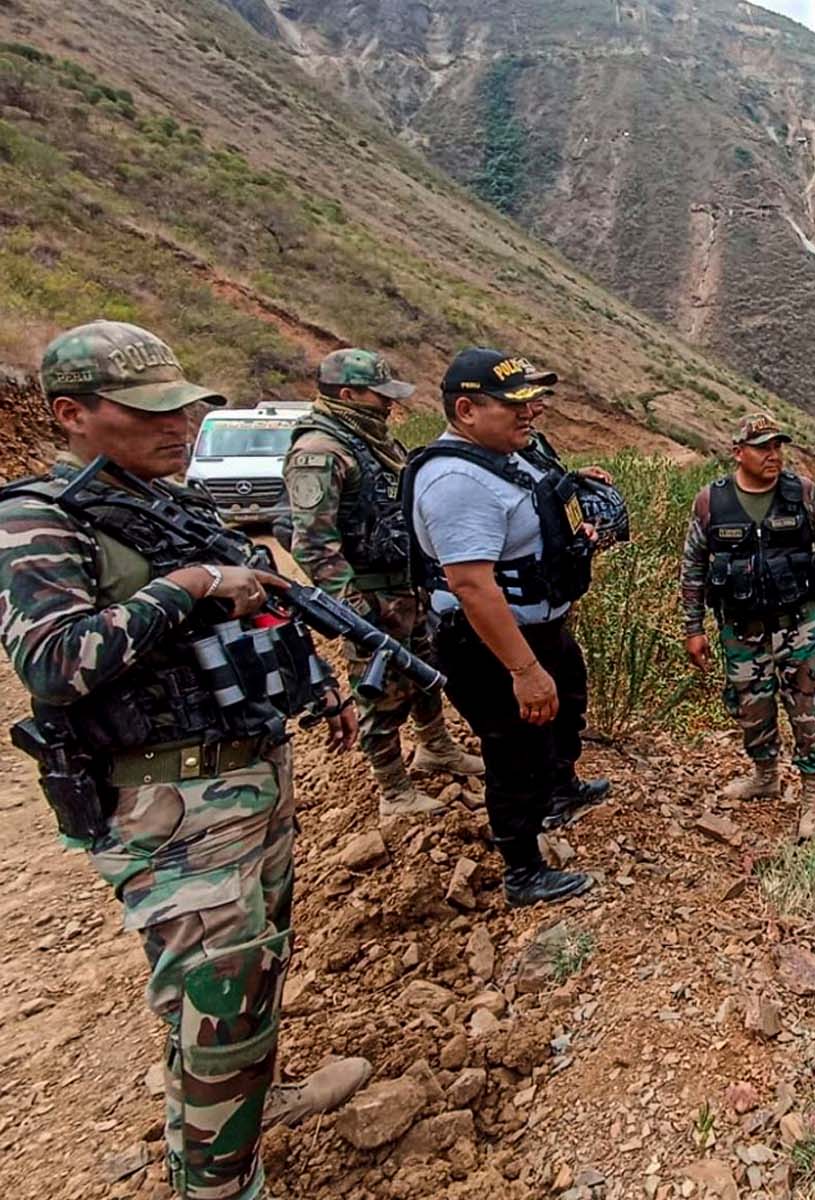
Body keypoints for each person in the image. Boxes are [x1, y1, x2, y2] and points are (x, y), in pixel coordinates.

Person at [0, 321, 370, 1200]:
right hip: (165, 797)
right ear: (72, 414)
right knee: (218, 990)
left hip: (244, 772)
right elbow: (54, 661)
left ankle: (246, 1109)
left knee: (251, 971)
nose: (180, 427)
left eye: (184, 409)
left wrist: (316, 685)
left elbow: (254, 613)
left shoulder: (169, 504)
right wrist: (191, 585)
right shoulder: (38, 517)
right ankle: (218, 1180)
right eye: (149, 413)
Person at [403, 347, 614, 907]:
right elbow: (472, 586)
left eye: (530, 400)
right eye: (513, 403)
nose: (530, 411)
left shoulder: (503, 457)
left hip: (539, 627)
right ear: (467, 410)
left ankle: (561, 791)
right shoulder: (456, 482)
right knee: (515, 747)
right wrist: (523, 670)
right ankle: (523, 870)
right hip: (489, 645)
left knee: (565, 704)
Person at [283, 348, 484, 818]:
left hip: (405, 584)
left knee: (424, 671)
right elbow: (312, 545)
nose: (389, 403)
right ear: (348, 394)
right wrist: (352, 610)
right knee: (381, 691)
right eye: (379, 395)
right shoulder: (320, 452)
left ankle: (435, 746)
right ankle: (393, 789)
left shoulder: (370, 440)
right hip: (369, 593)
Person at [680, 413, 815, 837]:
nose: (773, 455)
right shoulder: (711, 502)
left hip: (801, 624)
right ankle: (765, 776)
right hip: (742, 629)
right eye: (763, 447)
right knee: (751, 708)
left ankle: (813, 795)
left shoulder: (803, 493)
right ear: (738, 452)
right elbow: (693, 567)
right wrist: (693, 628)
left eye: (777, 446)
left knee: (809, 709)